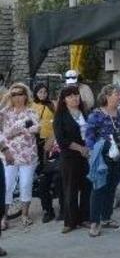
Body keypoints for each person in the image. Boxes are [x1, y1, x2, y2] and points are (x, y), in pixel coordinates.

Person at [85, 85, 120, 237]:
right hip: (103, 156)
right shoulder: (96, 115)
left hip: (119, 155)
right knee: (99, 188)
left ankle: (106, 217)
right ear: (106, 96)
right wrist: (93, 153)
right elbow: (89, 137)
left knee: (112, 186)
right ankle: (94, 222)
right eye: (116, 94)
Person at [0, 84, 41, 228]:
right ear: (10, 96)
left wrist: (15, 131)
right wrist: (21, 128)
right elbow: (4, 134)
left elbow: (35, 129)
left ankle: (25, 215)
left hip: (28, 155)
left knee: (25, 184)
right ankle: (3, 217)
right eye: (14, 94)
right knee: (7, 186)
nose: (17, 97)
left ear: (26, 95)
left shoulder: (31, 112)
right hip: (9, 155)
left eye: (20, 94)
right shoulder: (4, 113)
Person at [53, 86, 91, 233]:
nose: (74, 98)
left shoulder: (85, 113)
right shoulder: (60, 116)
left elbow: (91, 132)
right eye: (70, 96)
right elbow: (61, 139)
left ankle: (85, 217)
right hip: (70, 156)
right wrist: (80, 148)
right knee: (71, 188)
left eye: (76, 95)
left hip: (86, 154)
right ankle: (70, 221)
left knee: (87, 186)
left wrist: (88, 147)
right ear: (64, 100)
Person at [32, 83, 62, 223]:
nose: (43, 94)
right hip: (39, 140)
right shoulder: (32, 106)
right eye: (40, 92)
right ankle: (47, 210)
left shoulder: (52, 105)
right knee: (43, 177)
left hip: (53, 141)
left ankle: (63, 207)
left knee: (56, 177)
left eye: (45, 92)